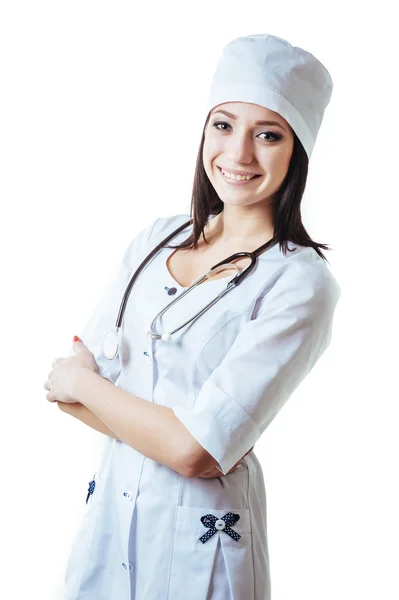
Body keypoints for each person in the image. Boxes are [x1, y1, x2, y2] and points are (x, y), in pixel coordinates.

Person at [45, 33, 341, 599]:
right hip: (112, 519)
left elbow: (193, 450)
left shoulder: (299, 283)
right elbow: (75, 402)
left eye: (269, 135)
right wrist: (182, 437)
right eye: (224, 125)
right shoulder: (159, 239)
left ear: (297, 150)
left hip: (200, 548)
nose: (239, 155)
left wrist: (88, 384)